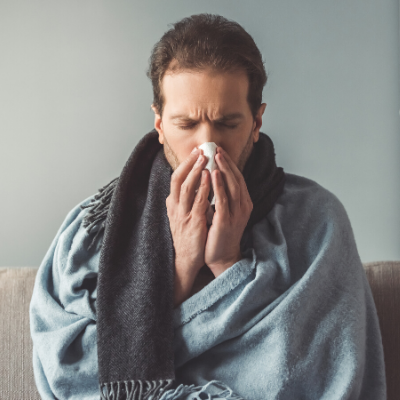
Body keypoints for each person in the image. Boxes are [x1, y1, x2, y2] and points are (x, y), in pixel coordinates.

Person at [30, 13, 386, 400]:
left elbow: (329, 374)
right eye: (186, 124)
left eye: (227, 124)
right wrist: (180, 268)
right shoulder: (91, 231)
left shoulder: (318, 222)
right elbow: (67, 369)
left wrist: (227, 265)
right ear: (159, 123)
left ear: (256, 121)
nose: (207, 147)